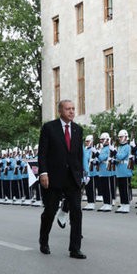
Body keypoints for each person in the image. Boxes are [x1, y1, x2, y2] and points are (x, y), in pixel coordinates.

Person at [37, 99, 86, 259]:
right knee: (50, 211)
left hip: (72, 178)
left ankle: (75, 248)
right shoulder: (49, 128)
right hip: (54, 177)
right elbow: (42, 153)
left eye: (73, 109)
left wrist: (81, 174)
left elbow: (79, 155)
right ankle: (43, 240)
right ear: (60, 111)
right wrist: (43, 173)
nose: (71, 111)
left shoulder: (78, 130)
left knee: (77, 212)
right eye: (68, 109)